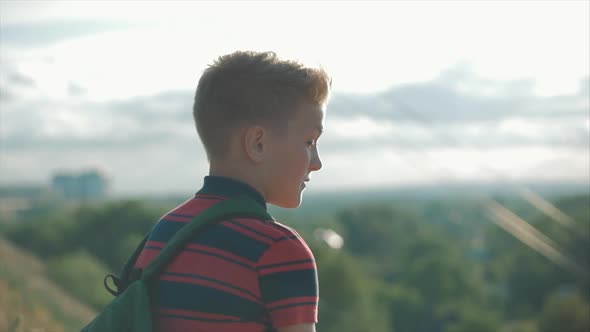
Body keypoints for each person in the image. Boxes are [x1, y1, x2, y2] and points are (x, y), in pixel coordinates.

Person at [133, 51, 331, 332]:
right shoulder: (278, 250)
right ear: (257, 143)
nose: (317, 163)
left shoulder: (165, 232)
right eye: (309, 141)